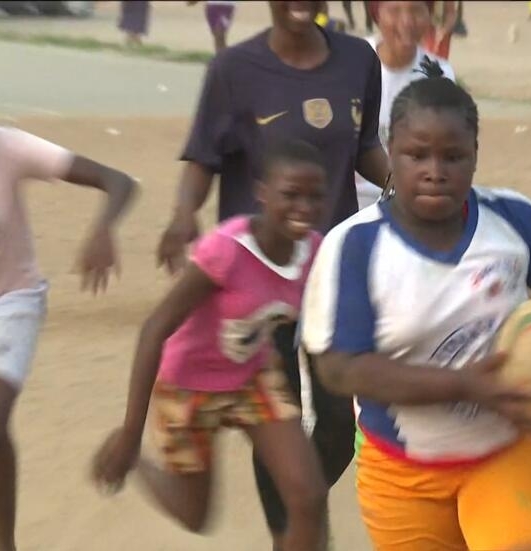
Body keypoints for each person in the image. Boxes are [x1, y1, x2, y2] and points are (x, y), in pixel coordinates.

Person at [302, 62, 531, 551]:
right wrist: (464, 385)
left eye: (453, 156)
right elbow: (340, 369)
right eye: (416, 154)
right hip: (402, 471)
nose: (434, 170)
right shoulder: (355, 247)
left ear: (474, 156)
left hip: (507, 451)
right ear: (391, 154)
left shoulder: (510, 219)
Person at [154, 1, 389, 548]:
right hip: (258, 286)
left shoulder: (358, 59)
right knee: (275, 417)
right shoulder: (233, 69)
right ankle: (289, 531)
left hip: (332, 274)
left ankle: (298, 506)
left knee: (336, 424)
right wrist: (183, 214)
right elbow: (202, 159)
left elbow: (366, 146)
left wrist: (406, 184)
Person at [92, 139, 331, 551]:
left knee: (309, 496)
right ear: (262, 193)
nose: (304, 208)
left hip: (252, 379)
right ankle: (136, 464)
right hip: (187, 387)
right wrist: (131, 435)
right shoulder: (227, 250)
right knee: (196, 517)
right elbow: (154, 329)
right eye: (291, 195)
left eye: (315, 197)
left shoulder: (314, 250)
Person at [0, 89, 137, 551]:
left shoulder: (5, 148)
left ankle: (4, 544)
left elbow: (119, 180)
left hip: (8, 302)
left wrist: (103, 229)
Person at [356, 0, 456, 210]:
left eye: (417, 11)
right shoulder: (352, 62)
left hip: (409, 204)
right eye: (394, 11)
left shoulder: (438, 74)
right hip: (353, 201)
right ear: (376, 14)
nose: (406, 21)